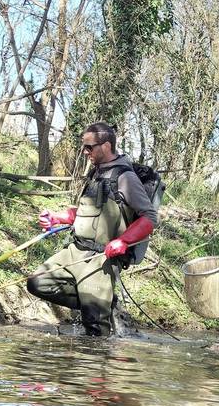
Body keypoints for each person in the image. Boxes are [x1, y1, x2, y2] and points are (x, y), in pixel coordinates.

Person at [27, 122, 158, 337]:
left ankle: (98, 313)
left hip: (101, 259)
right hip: (75, 252)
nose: (84, 152)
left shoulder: (126, 178)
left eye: (89, 147)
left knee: (95, 331)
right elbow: (83, 212)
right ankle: (102, 304)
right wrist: (55, 218)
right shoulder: (95, 173)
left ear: (105, 146)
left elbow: (149, 218)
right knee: (37, 282)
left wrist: (123, 241)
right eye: (84, 147)